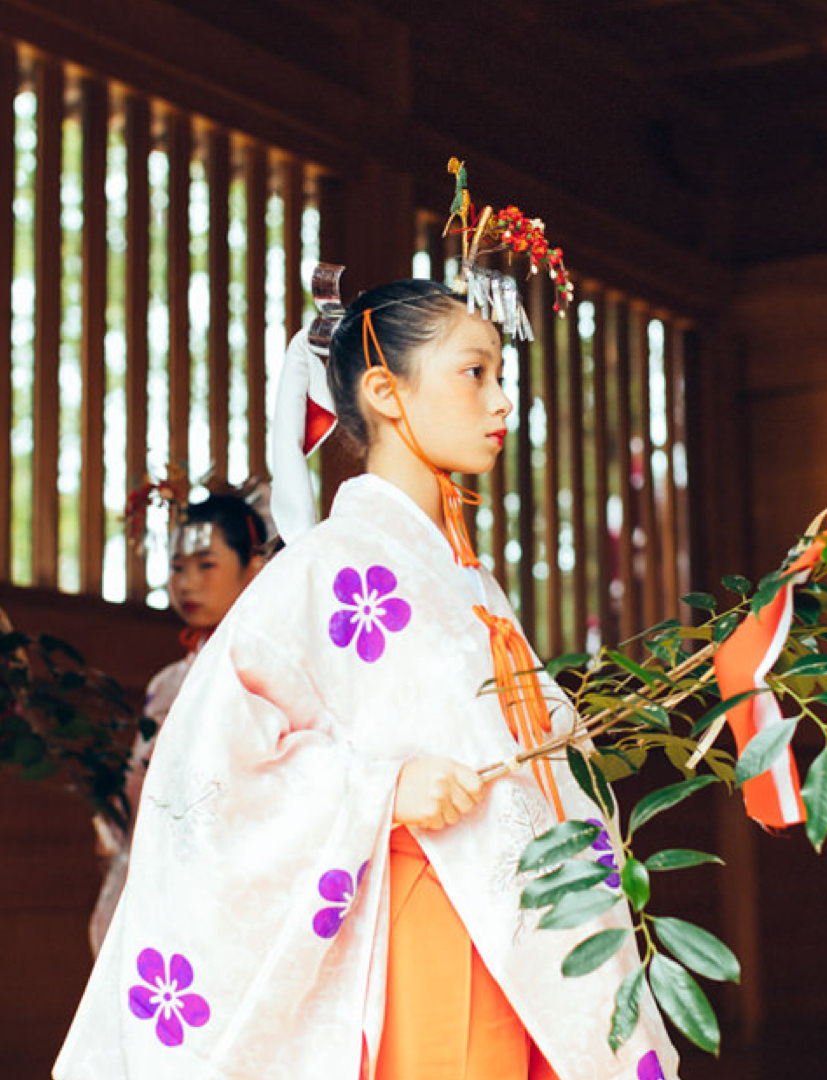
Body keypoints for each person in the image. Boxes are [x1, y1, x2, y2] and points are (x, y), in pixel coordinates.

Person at [55, 268, 679, 1079]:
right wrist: (379, 790)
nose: (500, 402)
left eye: (501, 375)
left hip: (526, 920)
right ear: (386, 390)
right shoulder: (322, 569)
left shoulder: (467, 580)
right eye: (474, 372)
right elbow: (211, 763)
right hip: (422, 914)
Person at [88, 492, 268, 955]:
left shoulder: (268, 669)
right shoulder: (167, 681)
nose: (187, 583)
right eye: (177, 568)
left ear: (254, 567)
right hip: (160, 875)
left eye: (206, 565)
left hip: (236, 881)